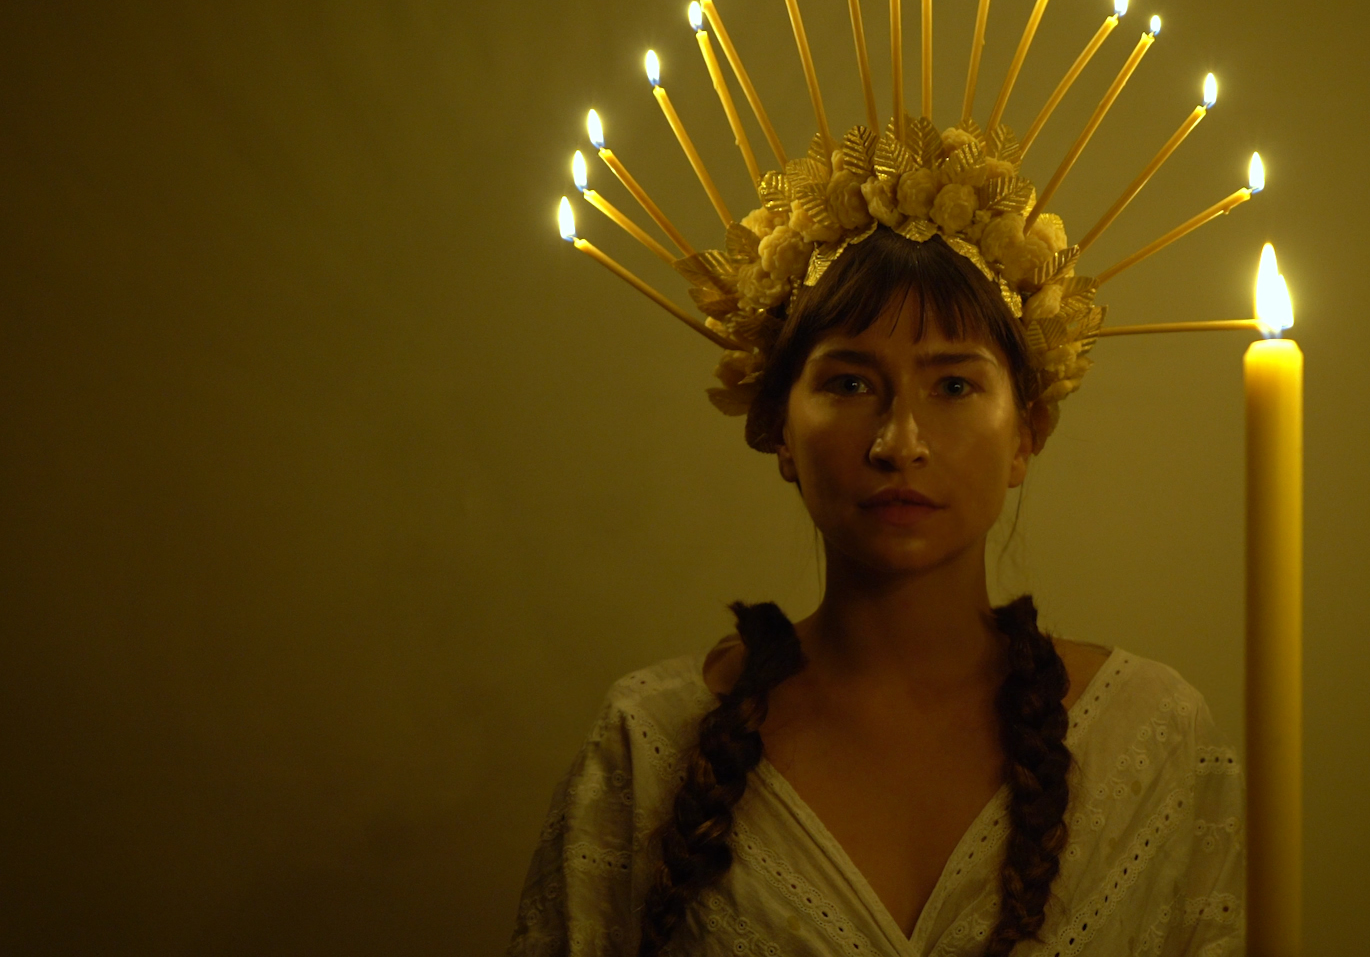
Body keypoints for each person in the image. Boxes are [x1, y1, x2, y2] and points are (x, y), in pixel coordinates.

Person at [507, 223, 1246, 956]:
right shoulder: (651, 739)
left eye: (954, 385)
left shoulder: (1153, 739)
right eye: (850, 383)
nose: (900, 443)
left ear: (1025, 434)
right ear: (778, 431)